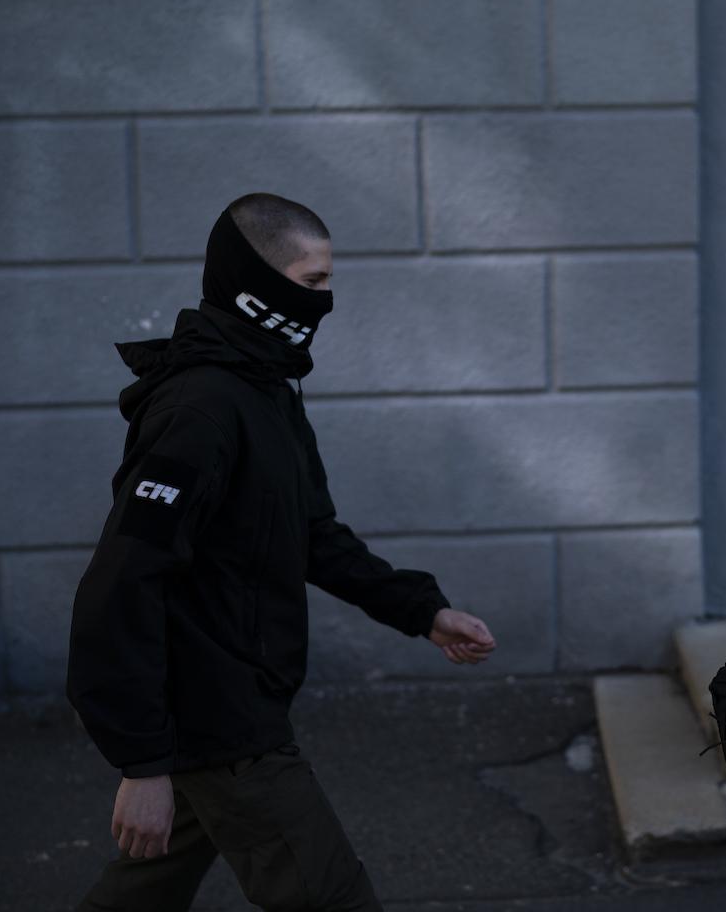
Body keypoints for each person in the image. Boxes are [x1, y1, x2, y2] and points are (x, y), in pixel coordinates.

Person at [66, 192, 497, 912]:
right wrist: (141, 764)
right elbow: (120, 583)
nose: (325, 300)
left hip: (236, 702)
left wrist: (422, 610)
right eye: (311, 281)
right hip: (223, 720)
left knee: (144, 889)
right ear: (253, 283)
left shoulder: (266, 390)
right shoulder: (199, 411)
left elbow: (313, 533)